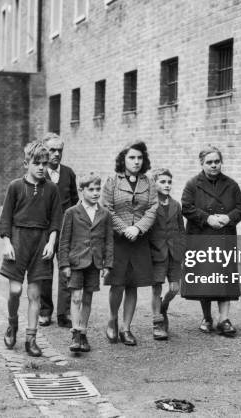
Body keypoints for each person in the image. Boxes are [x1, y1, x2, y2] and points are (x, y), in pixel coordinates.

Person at [0, 141, 62, 356]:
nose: (41, 167)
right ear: (27, 163)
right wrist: (7, 242)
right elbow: (6, 218)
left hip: (41, 242)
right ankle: (12, 323)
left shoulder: (52, 189)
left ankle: (31, 339)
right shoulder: (15, 186)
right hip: (18, 241)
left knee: (35, 294)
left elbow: (56, 220)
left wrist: (52, 242)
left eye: (45, 164)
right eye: (37, 163)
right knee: (15, 291)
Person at [181, 146, 241, 337]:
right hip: (201, 237)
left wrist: (228, 218)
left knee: (224, 277)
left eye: (216, 161)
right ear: (202, 164)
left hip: (224, 236)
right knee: (206, 278)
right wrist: (207, 218)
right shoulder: (193, 184)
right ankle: (207, 317)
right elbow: (186, 207)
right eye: (209, 162)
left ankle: (224, 319)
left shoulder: (231, 185)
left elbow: (240, 207)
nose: (214, 165)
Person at [102, 141, 157, 346]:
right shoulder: (112, 181)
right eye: (131, 158)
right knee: (117, 284)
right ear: (123, 160)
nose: (136, 161)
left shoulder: (149, 182)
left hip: (139, 240)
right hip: (119, 239)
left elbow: (153, 208)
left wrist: (138, 228)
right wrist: (125, 229)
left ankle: (126, 328)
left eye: (139, 158)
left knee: (133, 285)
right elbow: (107, 208)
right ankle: (112, 319)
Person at [58, 172, 113, 353]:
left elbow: (109, 241)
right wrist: (64, 264)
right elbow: (64, 240)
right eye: (91, 189)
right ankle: (75, 333)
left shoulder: (104, 214)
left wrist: (107, 264)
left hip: (94, 263)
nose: (96, 193)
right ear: (82, 191)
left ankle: (83, 332)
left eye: (98, 189)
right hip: (75, 262)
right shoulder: (71, 212)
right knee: (76, 297)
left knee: (88, 298)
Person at [39, 133, 79, 328]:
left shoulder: (69, 173)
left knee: (66, 270)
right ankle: (45, 311)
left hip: (65, 230)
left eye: (59, 150)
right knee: (45, 272)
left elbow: (74, 201)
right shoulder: (38, 174)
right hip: (44, 231)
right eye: (51, 150)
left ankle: (65, 313)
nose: (56, 154)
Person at [149, 168, 185, 341]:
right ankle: (157, 323)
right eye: (162, 182)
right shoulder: (150, 205)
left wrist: (183, 251)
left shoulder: (176, 205)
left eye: (169, 182)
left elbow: (181, 230)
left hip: (174, 253)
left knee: (174, 288)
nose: (167, 185)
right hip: (156, 254)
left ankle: (163, 307)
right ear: (154, 184)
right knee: (156, 288)